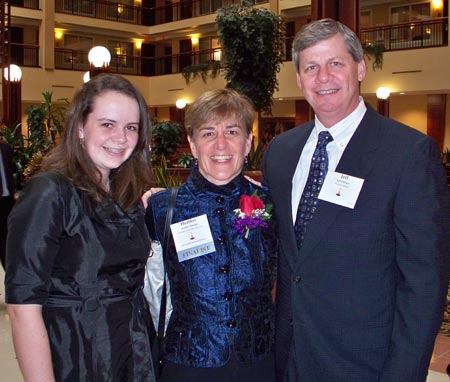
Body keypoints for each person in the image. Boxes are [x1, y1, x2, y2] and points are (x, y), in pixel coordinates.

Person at [261, 18, 450, 382]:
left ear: (360, 68)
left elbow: (424, 282)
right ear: (299, 80)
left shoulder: (407, 154)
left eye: (335, 63)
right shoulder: (280, 154)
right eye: (311, 68)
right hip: (289, 356)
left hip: (365, 366)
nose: (323, 77)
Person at [5, 74, 156, 382]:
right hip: (75, 355)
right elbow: (23, 308)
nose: (121, 137)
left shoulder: (126, 195)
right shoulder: (49, 192)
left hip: (131, 351)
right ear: (79, 129)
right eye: (107, 124)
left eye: (131, 128)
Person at [145, 88, 278, 382]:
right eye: (208, 133)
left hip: (259, 361)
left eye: (232, 131)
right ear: (192, 145)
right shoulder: (160, 208)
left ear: (248, 143)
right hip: (189, 362)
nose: (221, 144)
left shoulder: (271, 204)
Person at [0, 140, 15, 270]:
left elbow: (10, 173)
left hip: (7, 202)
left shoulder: (6, 148)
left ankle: (8, 271)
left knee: (6, 240)